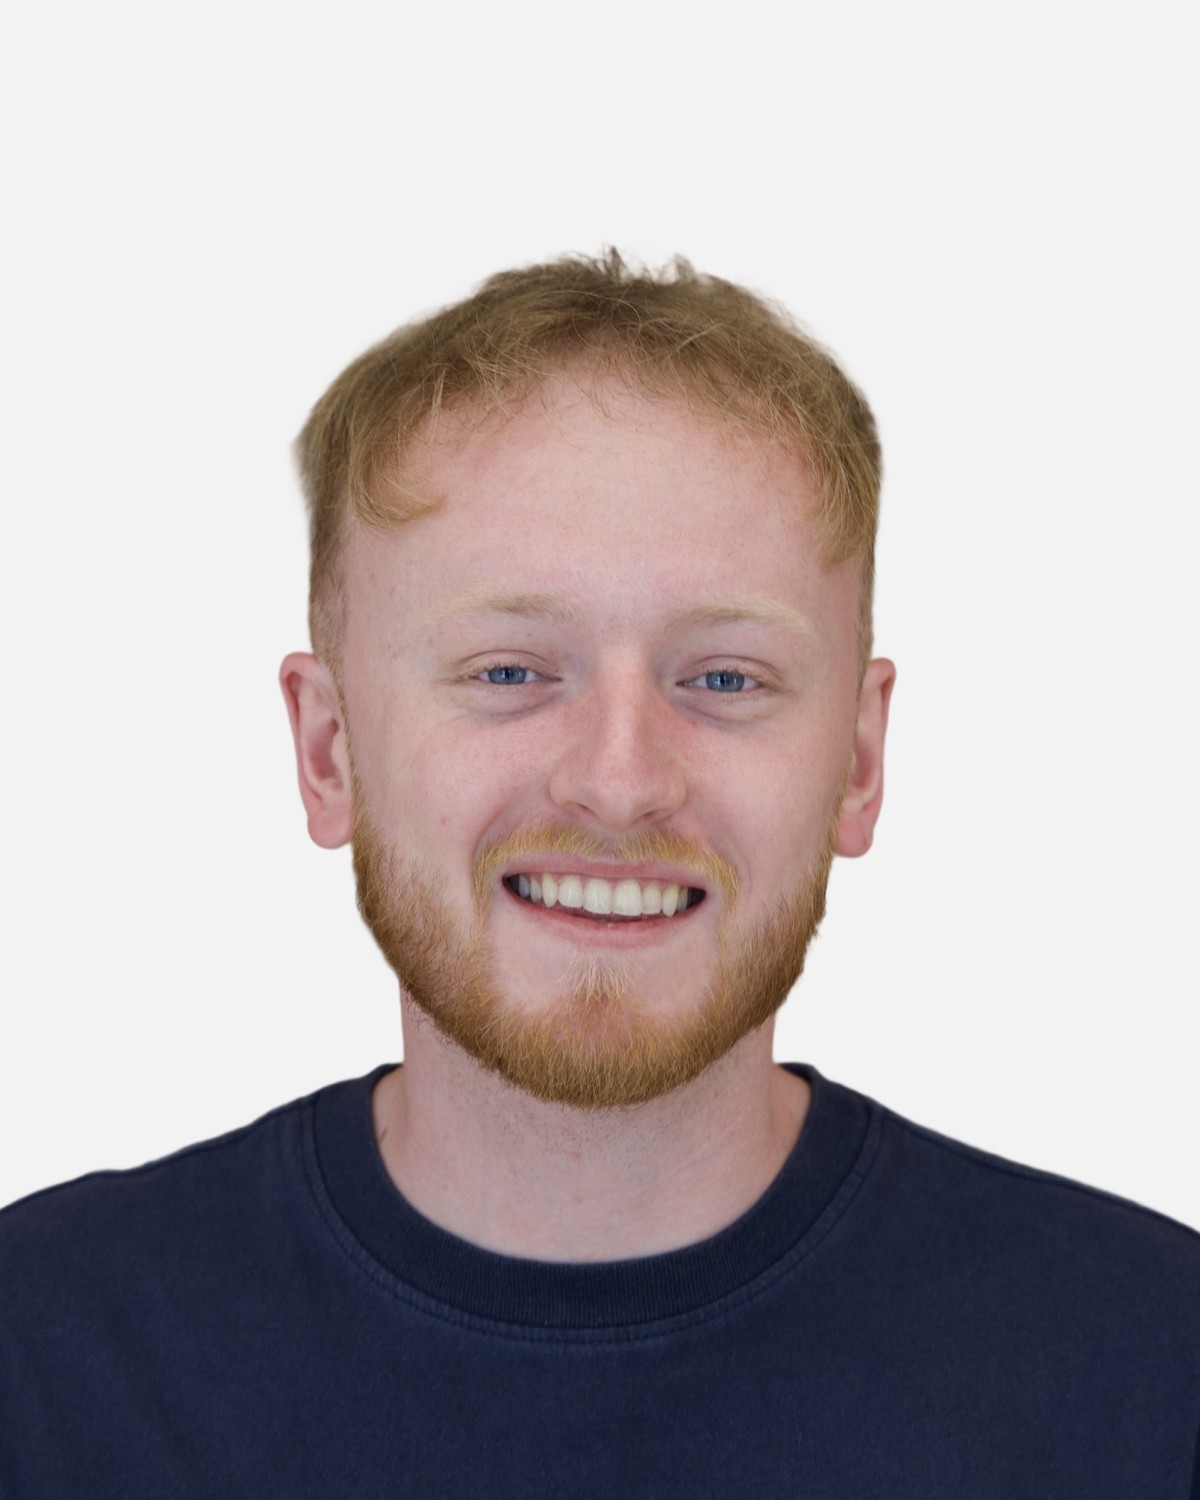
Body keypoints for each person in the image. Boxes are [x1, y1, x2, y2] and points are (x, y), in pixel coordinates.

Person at [2, 252, 1198, 1498]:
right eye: (509, 672)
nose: (620, 784)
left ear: (856, 758)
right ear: (328, 750)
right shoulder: (41, 1362)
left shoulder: (1154, 1376)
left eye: (725, 679)